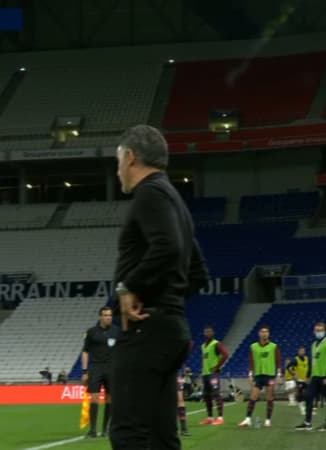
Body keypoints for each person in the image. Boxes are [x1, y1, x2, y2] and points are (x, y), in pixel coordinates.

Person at [109, 124, 209, 450]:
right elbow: (198, 275)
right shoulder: (175, 201)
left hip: (144, 334)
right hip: (169, 328)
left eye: (119, 160)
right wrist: (168, 304)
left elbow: (166, 247)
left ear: (131, 157)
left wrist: (130, 289)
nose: (118, 169)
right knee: (161, 437)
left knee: (129, 433)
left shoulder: (150, 193)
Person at [81, 306, 117, 438]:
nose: (108, 317)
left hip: (112, 368)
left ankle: (106, 429)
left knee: (110, 398)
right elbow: (85, 352)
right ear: (100, 317)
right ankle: (93, 430)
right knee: (94, 397)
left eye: (110, 315)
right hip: (96, 368)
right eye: (106, 315)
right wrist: (85, 372)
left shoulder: (116, 332)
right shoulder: (91, 332)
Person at [295, 322, 326, 432]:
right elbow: (312, 362)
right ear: (314, 332)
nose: (318, 332)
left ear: (325, 331)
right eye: (317, 330)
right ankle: (307, 423)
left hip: (325, 377)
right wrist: (309, 375)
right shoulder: (313, 345)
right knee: (308, 396)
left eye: (320, 330)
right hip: (315, 376)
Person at [239, 325, 282, 428]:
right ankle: (248, 419)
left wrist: (279, 374)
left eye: (266, 332)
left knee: (270, 397)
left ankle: (268, 420)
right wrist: (250, 374)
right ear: (259, 334)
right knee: (253, 397)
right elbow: (251, 361)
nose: (264, 333)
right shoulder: (253, 346)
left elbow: (278, 360)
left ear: (269, 334)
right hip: (258, 375)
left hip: (270, 375)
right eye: (262, 332)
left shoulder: (273, 346)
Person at [200, 325, 229, 426]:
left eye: (210, 332)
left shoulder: (216, 344)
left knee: (216, 394)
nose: (208, 333)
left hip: (213, 374)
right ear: (204, 333)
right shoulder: (203, 346)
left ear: (213, 333)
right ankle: (210, 417)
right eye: (206, 331)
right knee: (207, 396)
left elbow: (226, 354)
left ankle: (220, 418)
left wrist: (217, 366)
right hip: (205, 374)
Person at [290, 346, 310, 416]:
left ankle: (308, 409)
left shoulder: (308, 359)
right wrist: (294, 374)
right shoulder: (295, 359)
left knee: (308, 394)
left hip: (306, 380)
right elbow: (289, 367)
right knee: (300, 394)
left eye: (303, 351)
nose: (302, 352)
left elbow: (310, 369)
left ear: (305, 352)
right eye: (300, 350)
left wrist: (308, 377)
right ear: (298, 351)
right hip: (299, 380)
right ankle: (302, 409)